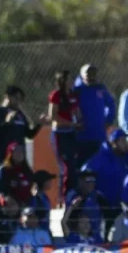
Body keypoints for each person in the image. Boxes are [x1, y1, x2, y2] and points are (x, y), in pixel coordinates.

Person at [0, 85, 46, 161]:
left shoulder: (20, 115)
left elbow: (29, 135)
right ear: (7, 96)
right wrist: (6, 122)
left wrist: (39, 124)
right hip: (4, 157)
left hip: (20, 158)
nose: (18, 102)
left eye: (20, 99)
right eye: (16, 98)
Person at [81, 128, 128, 209]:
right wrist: (95, 196)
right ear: (114, 143)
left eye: (126, 139)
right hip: (106, 208)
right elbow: (85, 173)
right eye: (122, 140)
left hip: (125, 206)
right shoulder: (101, 158)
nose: (126, 143)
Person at [73, 64, 117, 164]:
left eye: (94, 73)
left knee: (100, 163)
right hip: (82, 136)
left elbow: (111, 104)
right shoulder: (77, 90)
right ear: (82, 75)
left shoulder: (101, 88)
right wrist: (76, 122)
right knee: (82, 164)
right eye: (88, 73)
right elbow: (71, 108)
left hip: (99, 135)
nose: (92, 75)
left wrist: (108, 120)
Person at [48, 71, 81, 199]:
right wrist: (71, 124)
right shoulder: (56, 95)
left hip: (71, 134)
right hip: (60, 134)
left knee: (73, 164)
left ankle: (73, 193)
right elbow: (53, 116)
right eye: (68, 79)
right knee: (64, 166)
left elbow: (76, 111)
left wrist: (79, 121)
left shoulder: (72, 95)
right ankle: (63, 196)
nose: (71, 82)